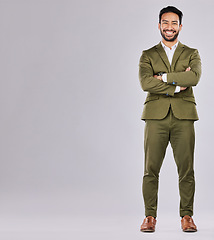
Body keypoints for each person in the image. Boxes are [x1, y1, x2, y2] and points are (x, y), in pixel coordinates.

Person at [138, 6, 201, 232]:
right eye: (165, 23)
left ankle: (187, 216)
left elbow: (193, 77)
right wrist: (175, 86)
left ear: (180, 27)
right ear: (159, 25)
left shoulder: (192, 53)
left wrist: (163, 77)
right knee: (150, 168)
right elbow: (146, 83)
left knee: (186, 169)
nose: (169, 27)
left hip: (184, 116)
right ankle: (149, 217)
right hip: (156, 117)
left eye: (174, 23)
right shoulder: (148, 54)